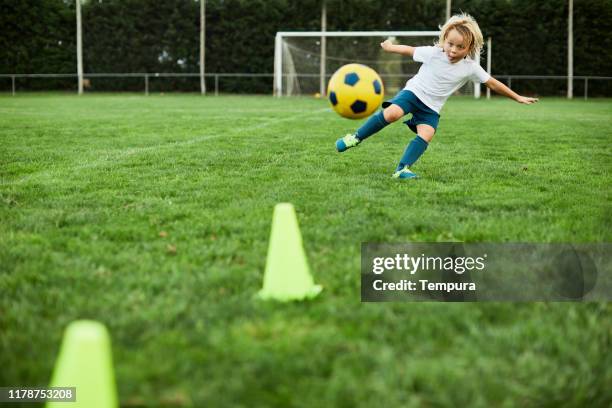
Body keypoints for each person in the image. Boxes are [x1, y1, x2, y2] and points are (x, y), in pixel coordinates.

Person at [335, 13, 538, 179]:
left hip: (432, 107)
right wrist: (390, 47)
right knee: (392, 114)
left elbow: (493, 83)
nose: (453, 50)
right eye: (450, 44)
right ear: (444, 40)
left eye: (460, 47)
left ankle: (401, 169)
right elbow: (409, 50)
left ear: (470, 48)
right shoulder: (434, 53)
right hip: (414, 93)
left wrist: (517, 97)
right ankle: (355, 137)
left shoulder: (470, 68)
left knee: (427, 134)